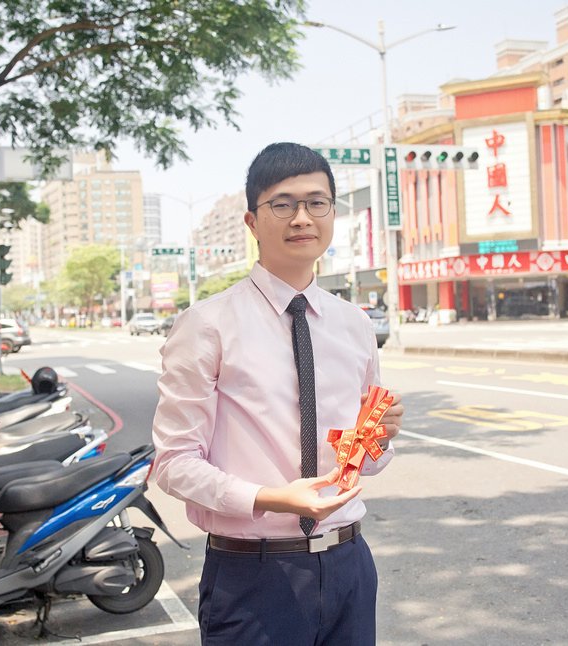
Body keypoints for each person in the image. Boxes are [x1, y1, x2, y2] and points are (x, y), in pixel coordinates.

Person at [152, 142, 404, 645]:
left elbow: (365, 462)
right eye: (283, 204)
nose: (302, 217)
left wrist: (378, 437)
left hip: (349, 565)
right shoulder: (207, 325)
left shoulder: (354, 326)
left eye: (317, 202)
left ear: (332, 212)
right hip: (253, 575)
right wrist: (271, 499)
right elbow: (173, 463)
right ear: (251, 221)